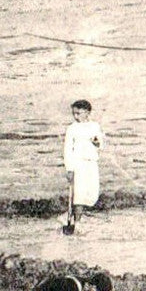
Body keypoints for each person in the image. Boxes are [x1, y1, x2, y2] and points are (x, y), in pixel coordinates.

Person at [62, 99, 103, 235]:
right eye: (74, 113)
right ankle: (77, 224)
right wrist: (69, 169)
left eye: (78, 113)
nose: (76, 116)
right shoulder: (72, 129)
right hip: (78, 163)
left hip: (91, 163)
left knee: (91, 194)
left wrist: (97, 143)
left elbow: (101, 143)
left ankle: (70, 217)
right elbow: (68, 150)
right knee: (79, 195)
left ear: (87, 112)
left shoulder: (95, 126)